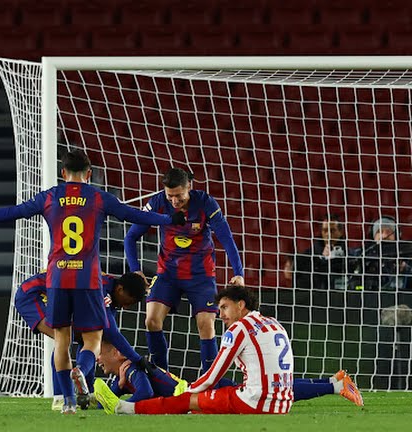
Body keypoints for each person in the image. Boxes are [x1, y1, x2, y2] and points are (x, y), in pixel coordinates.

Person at [0, 149, 185, 414]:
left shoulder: (50, 197)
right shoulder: (98, 197)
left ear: (63, 173)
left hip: (57, 277)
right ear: (89, 174)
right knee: (93, 339)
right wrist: (168, 219)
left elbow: (13, 212)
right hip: (88, 279)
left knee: (62, 339)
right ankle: (81, 371)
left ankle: (66, 401)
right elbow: (134, 215)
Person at [95, 285, 363, 415]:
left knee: (189, 401)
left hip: (256, 402)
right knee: (236, 387)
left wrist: (190, 391)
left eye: (224, 307)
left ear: (241, 305)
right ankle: (335, 384)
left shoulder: (239, 329)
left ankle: (124, 409)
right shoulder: (273, 322)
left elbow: (213, 375)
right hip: (282, 401)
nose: (220, 314)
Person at [123, 168, 244, 374]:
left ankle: (210, 382)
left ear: (189, 187)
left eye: (179, 195)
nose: (174, 201)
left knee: (206, 325)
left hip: (200, 275)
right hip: (168, 274)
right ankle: (162, 378)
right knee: (151, 320)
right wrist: (135, 270)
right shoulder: (158, 202)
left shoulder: (205, 203)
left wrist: (238, 272)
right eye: (170, 195)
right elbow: (131, 236)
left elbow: (226, 238)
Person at [15, 271, 150, 409]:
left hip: (57, 295)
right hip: (33, 295)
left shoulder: (109, 290)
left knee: (87, 337)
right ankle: (60, 397)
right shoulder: (101, 289)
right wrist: (137, 359)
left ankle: (87, 392)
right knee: (64, 338)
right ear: (120, 289)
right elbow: (112, 332)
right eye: (128, 301)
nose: (126, 307)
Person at [95, 339, 363, 408]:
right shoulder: (126, 373)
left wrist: (121, 403)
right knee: (270, 390)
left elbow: (144, 393)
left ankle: (335, 386)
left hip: (201, 392)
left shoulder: (132, 369)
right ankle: (332, 381)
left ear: (117, 353)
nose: (97, 358)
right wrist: (106, 395)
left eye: (100, 352)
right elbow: (106, 401)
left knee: (268, 393)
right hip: (200, 391)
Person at [284, 214, 351, 290]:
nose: (328, 234)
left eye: (332, 231)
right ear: (321, 232)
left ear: (341, 232)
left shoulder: (350, 256)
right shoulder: (306, 257)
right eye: (325, 230)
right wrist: (322, 259)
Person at [348, 216, 412, 291]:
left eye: (388, 232)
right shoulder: (363, 254)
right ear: (373, 235)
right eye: (379, 231)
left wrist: (406, 269)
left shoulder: (406, 254)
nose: (384, 236)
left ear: (397, 235)